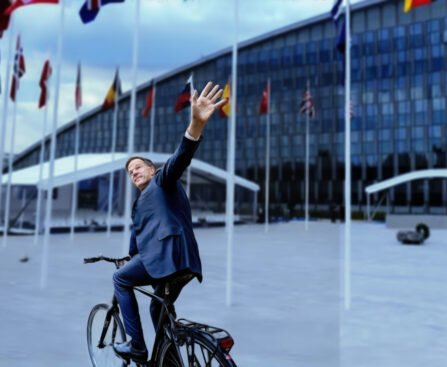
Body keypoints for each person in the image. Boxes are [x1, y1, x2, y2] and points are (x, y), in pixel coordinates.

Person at [112, 81, 226, 363]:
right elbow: (138, 242)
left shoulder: (163, 181)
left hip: (168, 257)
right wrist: (129, 258)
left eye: (138, 167)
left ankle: (136, 346)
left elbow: (180, 158)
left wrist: (195, 127)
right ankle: (171, 359)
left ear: (152, 169)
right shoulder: (139, 206)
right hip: (180, 262)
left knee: (119, 280)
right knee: (156, 309)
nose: (133, 172)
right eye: (129, 171)